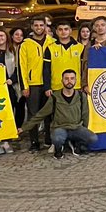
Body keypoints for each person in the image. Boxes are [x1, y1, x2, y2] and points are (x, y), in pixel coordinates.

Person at [18, 69, 96, 159]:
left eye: (72, 78)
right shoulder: (55, 97)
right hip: (60, 128)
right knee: (57, 138)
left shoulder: (81, 96)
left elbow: (85, 115)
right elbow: (40, 115)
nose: (69, 81)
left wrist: (84, 132)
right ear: (62, 80)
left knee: (92, 138)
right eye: (66, 79)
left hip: (76, 128)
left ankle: (75, 143)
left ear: (75, 80)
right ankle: (59, 147)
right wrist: (24, 128)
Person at [41, 21, 84, 153]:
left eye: (66, 29)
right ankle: (54, 142)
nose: (63, 32)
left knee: (75, 117)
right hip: (56, 88)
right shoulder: (50, 48)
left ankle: (74, 141)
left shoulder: (80, 48)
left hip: (75, 87)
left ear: (71, 31)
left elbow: (84, 68)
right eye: (60, 29)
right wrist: (47, 87)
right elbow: (46, 70)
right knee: (53, 117)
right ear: (57, 31)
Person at [19, 16, 53, 152]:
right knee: (33, 114)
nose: (39, 28)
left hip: (48, 83)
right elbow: (21, 65)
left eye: (41, 25)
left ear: (45, 27)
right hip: (33, 84)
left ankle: (48, 139)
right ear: (32, 27)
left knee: (49, 113)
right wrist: (24, 86)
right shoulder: (25, 44)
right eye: (36, 25)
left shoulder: (52, 42)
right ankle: (34, 141)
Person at [0, 29, 20, 155]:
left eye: (2, 35)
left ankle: (6, 140)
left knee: (8, 115)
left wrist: (12, 80)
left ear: (6, 37)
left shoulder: (13, 51)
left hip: (9, 88)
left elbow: (19, 68)